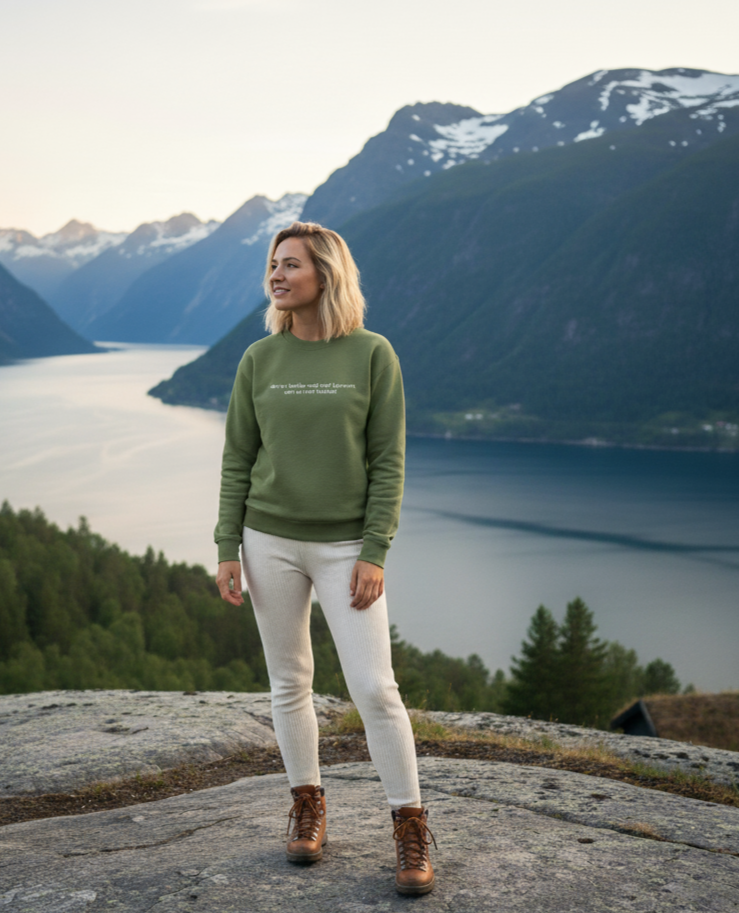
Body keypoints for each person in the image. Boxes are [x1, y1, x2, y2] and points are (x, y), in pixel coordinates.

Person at [213, 221, 435, 895]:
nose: (277, 276)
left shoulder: (372, 354)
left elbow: (386, 462)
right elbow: (237, 458)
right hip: (268, 539)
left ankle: (409, 824)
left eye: (291, 266)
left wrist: (374, 550)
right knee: (289, 681)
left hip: (345, 547)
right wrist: (228, 544)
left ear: (325, 276)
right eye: (272, 265)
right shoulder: (259, 359)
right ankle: (307, 806)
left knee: (373, 688)